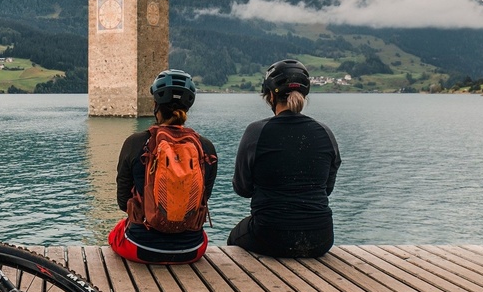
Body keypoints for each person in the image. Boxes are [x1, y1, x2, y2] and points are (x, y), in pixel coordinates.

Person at [227, 59, 340, 258]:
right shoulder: (326, 132)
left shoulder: (256, 132)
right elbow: (327, 189)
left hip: (270, 235)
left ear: (270, 96)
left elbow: (242, 189)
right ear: (304, 95)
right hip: (321, 239)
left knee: (234, 237)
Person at [110, 69, 218, 264]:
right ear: (188, 106)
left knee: (115, 233)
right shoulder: (205, 147)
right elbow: (203, 198)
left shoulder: (135, 143)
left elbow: (122, 201)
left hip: (141, 247)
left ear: (155, 105)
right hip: (192, 249)